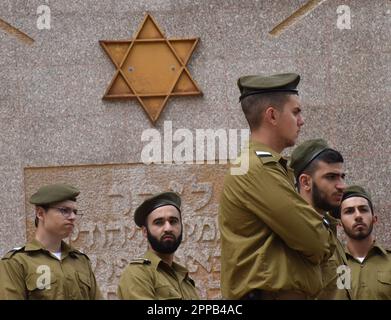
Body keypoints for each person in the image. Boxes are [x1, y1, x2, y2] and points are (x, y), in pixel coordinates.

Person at [218, 73, 336, 300]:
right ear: (272, 115)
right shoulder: (256, 167)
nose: (301, 120)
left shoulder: (268, 166)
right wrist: (323, 227)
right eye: (296, 112)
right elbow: (316, 241)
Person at [0, 183, 102, 299]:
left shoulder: (80, 261)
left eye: (75, 212)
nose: (73, 217)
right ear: (40, 213)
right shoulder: (17, 262)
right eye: (65, 210)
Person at [290, 138, 351, 299]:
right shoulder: (295, 234)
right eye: (331, 177)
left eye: (341, 176)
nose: (342, 185)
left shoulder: (327, 227)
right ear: (305, 182)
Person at [117, 192, 199, 299]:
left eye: (173, 221)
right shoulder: (137, 274)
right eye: (159, 222)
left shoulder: (184, 278)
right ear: (145, 231)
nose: (168, 228)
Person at [338, 185, 391, 299]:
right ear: (340, 223)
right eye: (349, 211)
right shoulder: (331, 265)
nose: (358, 216)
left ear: (374, 218)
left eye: (363, 209)